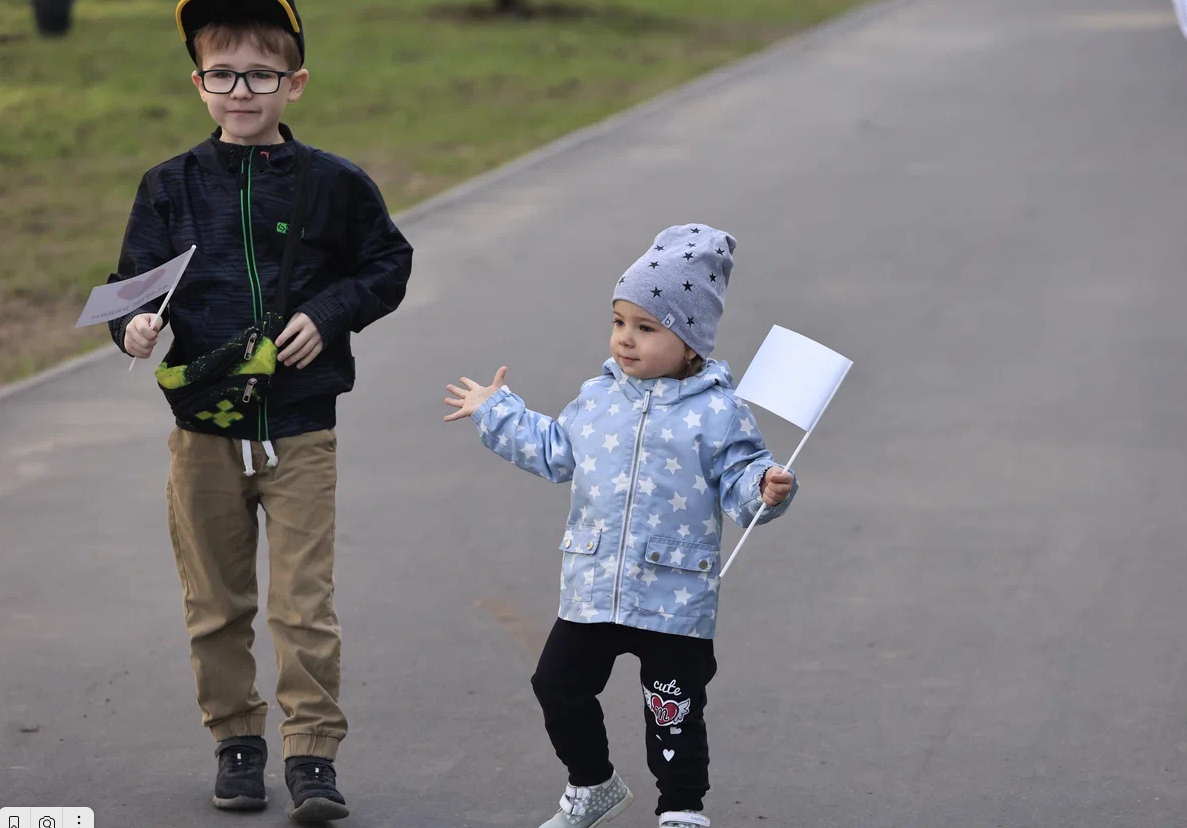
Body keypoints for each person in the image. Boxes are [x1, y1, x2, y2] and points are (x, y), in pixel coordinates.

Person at [107, 0, 412, 820]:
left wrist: (334, 311)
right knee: (215, 601)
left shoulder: (336, 184)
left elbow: (388, 263)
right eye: (222, 74)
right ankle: (236, 742)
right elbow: (133, 288)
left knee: (302, 602)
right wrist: (133, 327)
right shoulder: (167, 186)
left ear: (295, 82)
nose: (241, 90)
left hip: (301, 426)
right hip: (202, 432)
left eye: (261, 74)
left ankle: (312, 754)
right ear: (198, 82)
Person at [444, 224, 797, 828]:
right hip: (593, 583)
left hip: (675, 591)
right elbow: (555, 450)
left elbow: (743, 481)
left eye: (647, 327)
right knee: (557, 685)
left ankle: (681, 805)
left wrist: (766, 489)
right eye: (619, 322)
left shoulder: (720, 411)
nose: (625, 340)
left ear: (690, 343)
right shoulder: (598, 398)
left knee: (673, 707)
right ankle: (593, 783)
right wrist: (497, 410)